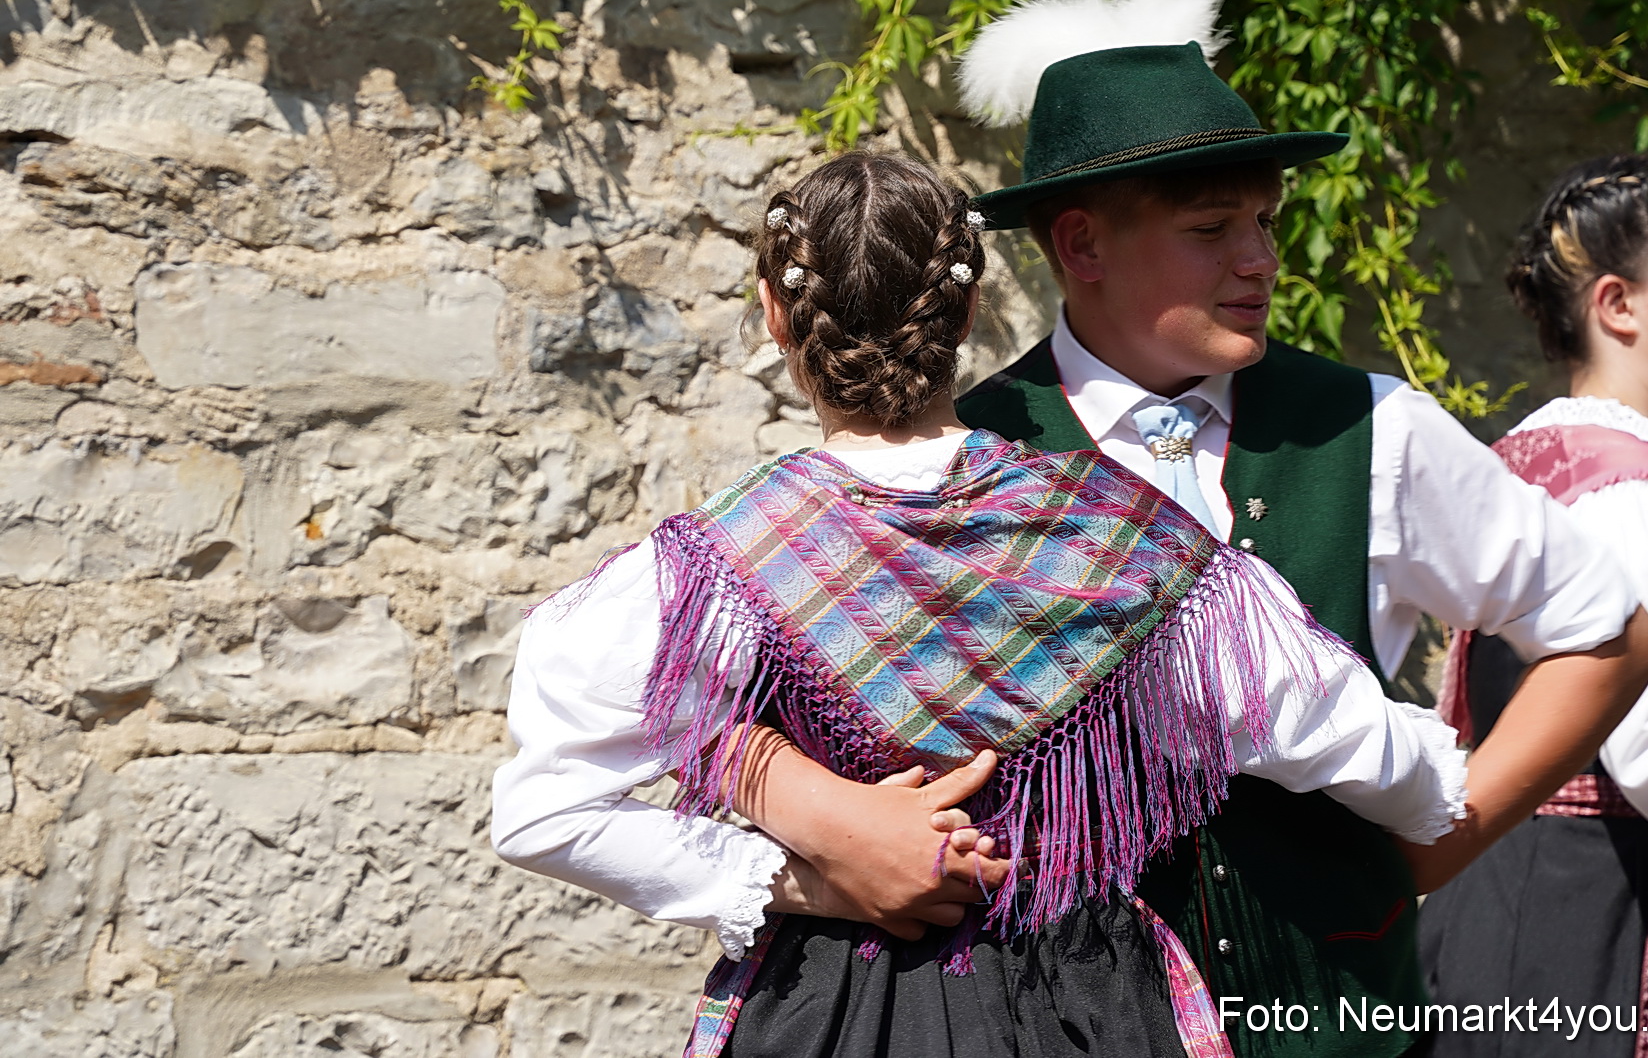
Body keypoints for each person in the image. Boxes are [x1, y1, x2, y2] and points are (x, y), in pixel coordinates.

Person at [716, 0, 1648, 1058]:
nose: (1260, 260)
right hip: (1057, 1025)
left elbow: (1604, 631)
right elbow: (742, 714)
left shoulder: (1369, 426)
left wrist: (1435, 839)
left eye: (1263, 221)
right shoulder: (960, 452)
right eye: (1214, 229)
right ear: (1080, 246)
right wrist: (829, 821)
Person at [490, 149, 1479, 1058]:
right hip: (1083, 1001)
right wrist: (1439, 779)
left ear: (775, 316)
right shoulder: (1126, 547)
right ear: (963, 319)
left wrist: (806, 881)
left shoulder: (708, 572)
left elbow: (546, 811)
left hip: (825, 1007)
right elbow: (1371, 755)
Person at [1420, 154, 1648, 1057]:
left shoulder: (1535, 454)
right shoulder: (1631, 492)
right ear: (1617, 305)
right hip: (1591, 921)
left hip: (1509, 906)